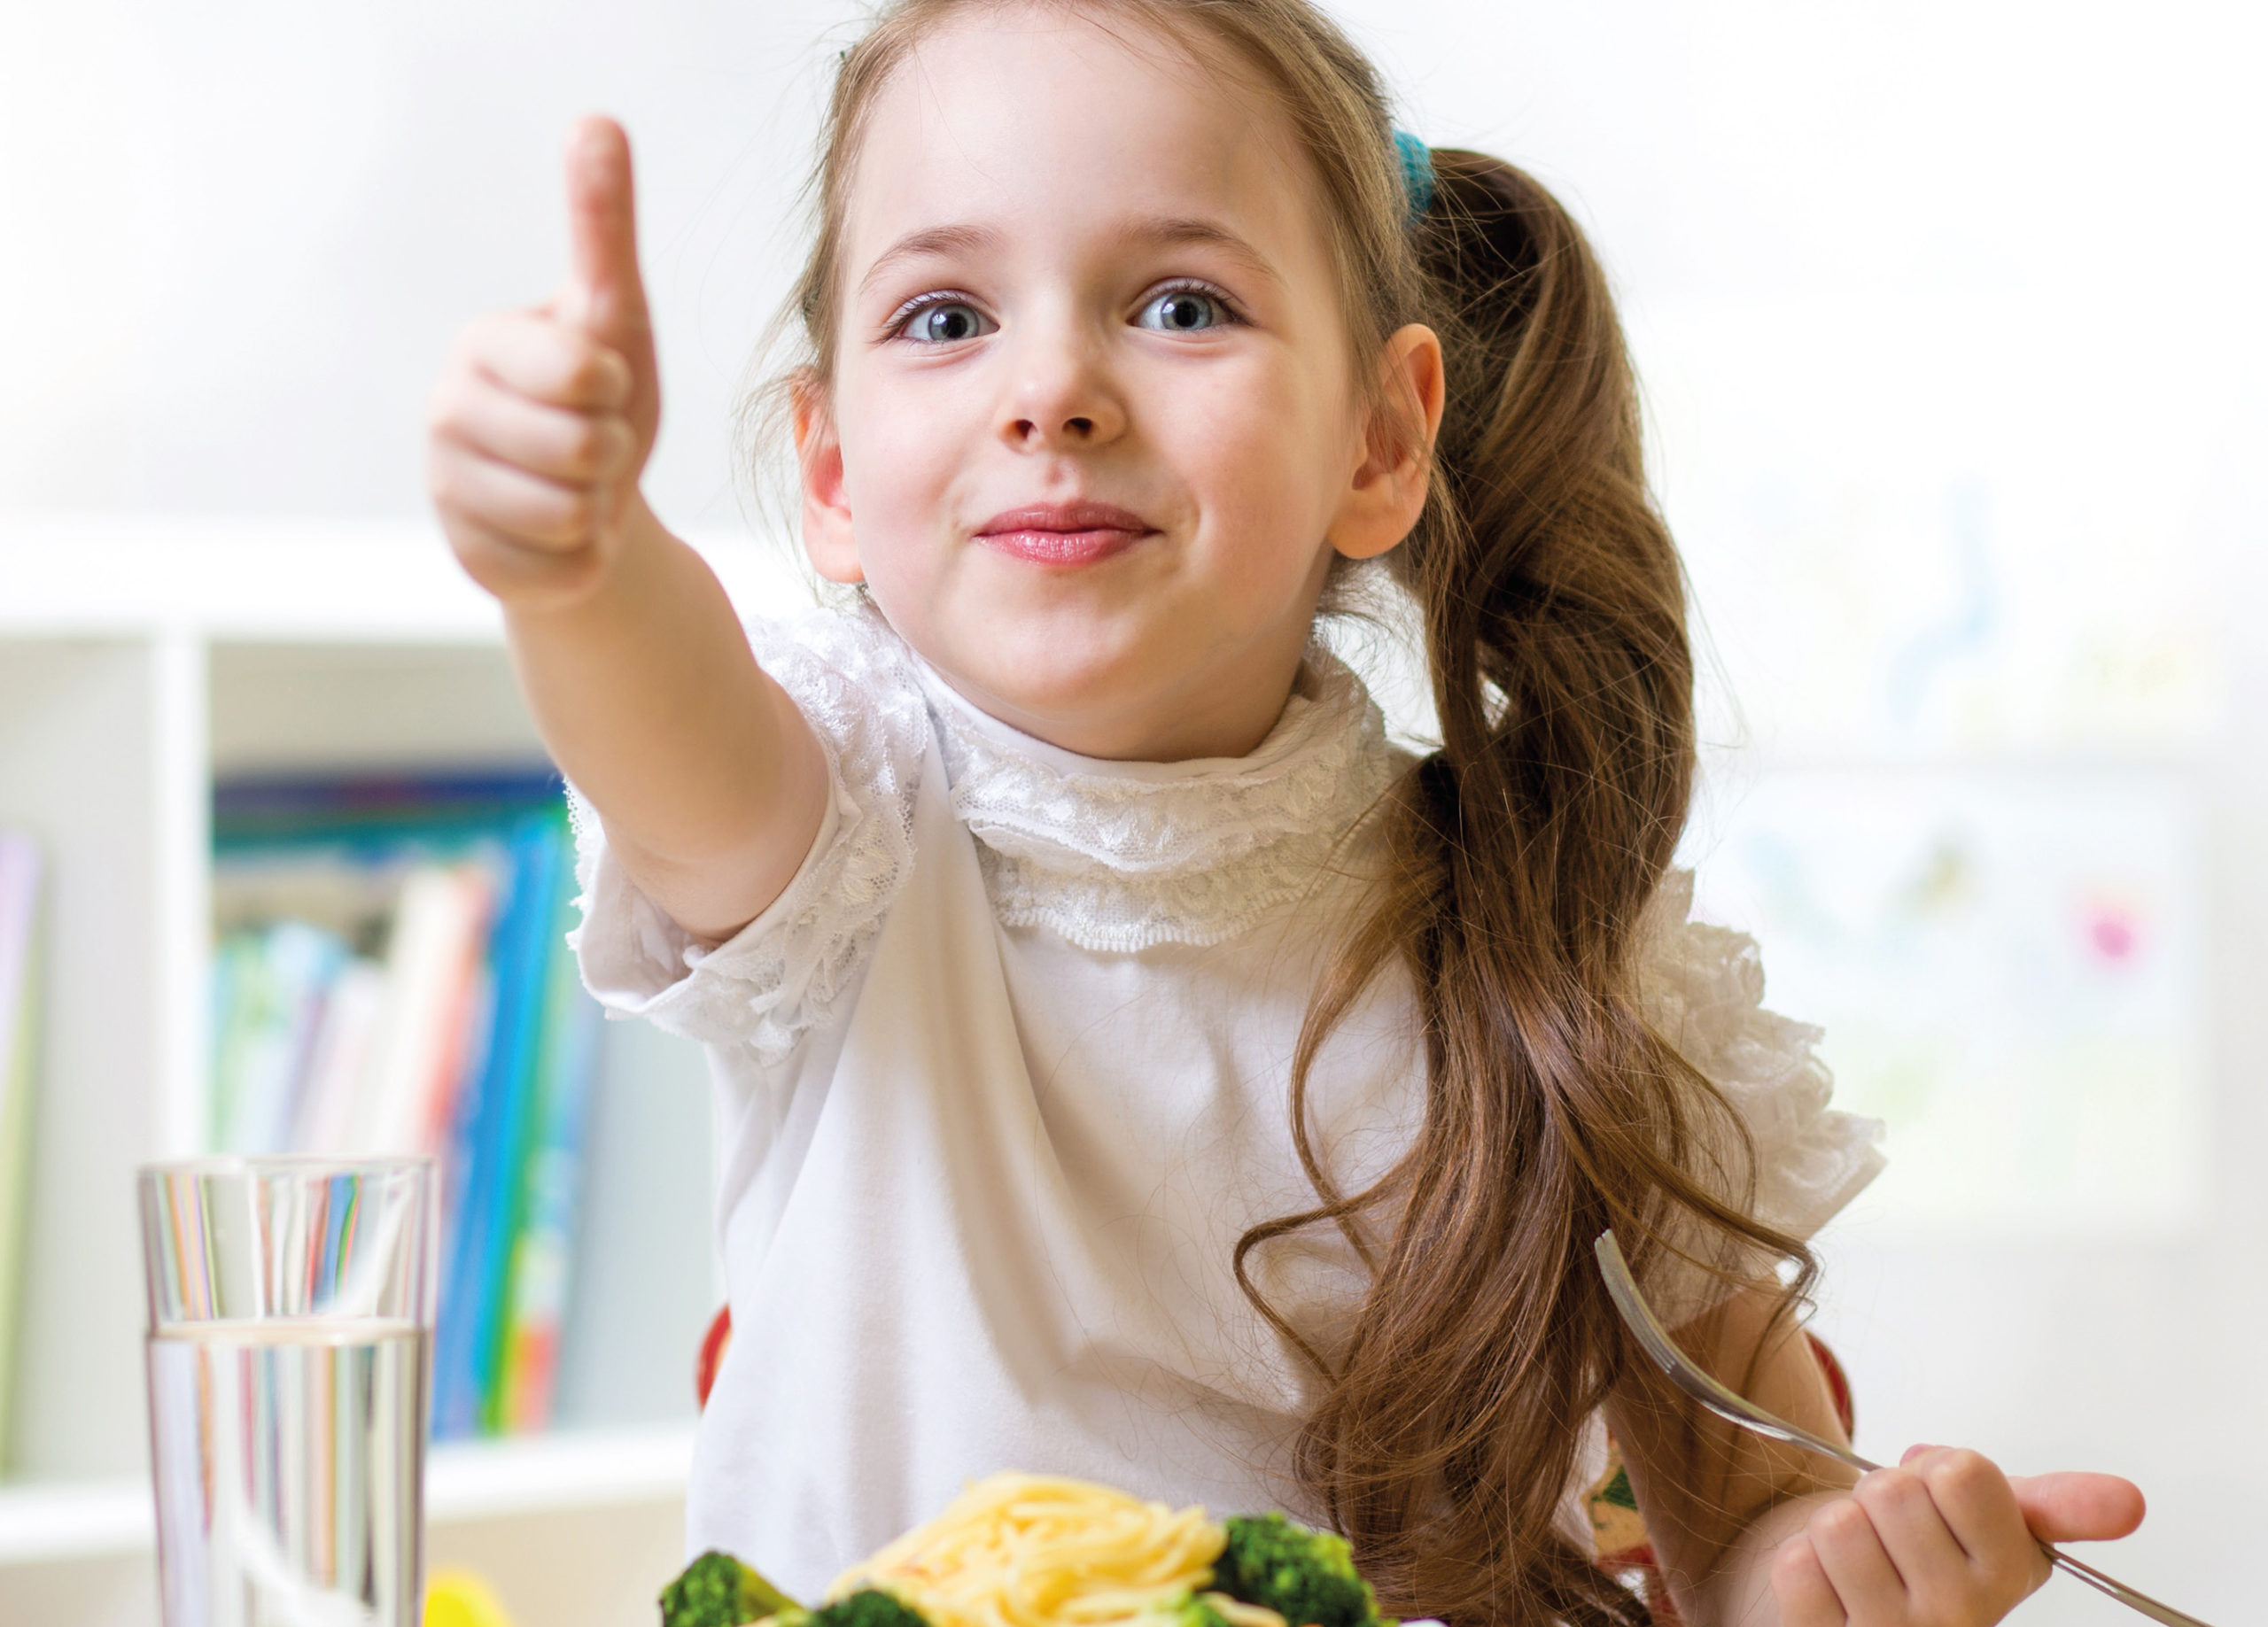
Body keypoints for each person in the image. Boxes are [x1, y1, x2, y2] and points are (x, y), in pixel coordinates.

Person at [424, 1, 2147, 1621]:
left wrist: (1832, 1571)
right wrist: (577, 562)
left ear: (1380, 440)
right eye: (944, 319)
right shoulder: (838, 830)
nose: (1051, 392)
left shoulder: (1548, 926)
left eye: (1176, 305)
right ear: (830, 478)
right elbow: (671, 734)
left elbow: (1744, 1529)